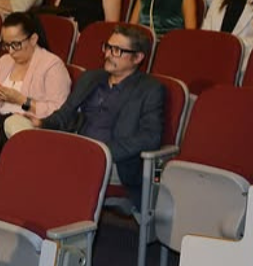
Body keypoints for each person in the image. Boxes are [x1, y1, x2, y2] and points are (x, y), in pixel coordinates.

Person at [41, 24, 169, 207]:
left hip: (116, 161)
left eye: (117, 50)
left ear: (138, 57)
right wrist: (41, 124)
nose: (108, 54)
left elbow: (150, 137)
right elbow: (64, 115)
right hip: (77, 150)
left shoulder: (149, 89)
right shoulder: (91, 78)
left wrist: (103, 151)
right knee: (34, 154)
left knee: (62, 170)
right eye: (108, 47)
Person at [0, 10, 73, 135]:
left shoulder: (52, 65)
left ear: (33, 39)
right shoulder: (4, 62)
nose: (10, 51)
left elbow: (59, 112)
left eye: (15, 44)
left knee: (11, 124)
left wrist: (22, 100)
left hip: (30, 130)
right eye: (6, 45)